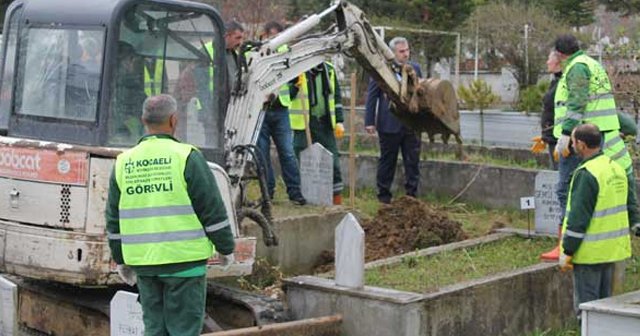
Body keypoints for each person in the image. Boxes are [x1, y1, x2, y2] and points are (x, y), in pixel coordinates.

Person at [106, 94, 235, 336]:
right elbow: (211, 209)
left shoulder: (124, 162)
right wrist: (226, 248)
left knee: (154, 329)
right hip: (185, 265)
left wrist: (120, 258)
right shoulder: (186, 157)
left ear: (144, 120)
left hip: (145, 265)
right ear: (174, 120)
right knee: (184, 330)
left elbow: (113, 220)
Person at [541, 34, 637, 261]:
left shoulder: (577, 68)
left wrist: (565, 136)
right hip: (596, 135)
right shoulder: (592, 64)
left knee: (567, 190)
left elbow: (576, 102)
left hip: (581, 139)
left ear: (560, 54)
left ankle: (565, 243)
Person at [559, 123, 640, 318]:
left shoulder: (587, 174)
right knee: (605, 312)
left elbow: (578, 219)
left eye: (573, 141)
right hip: (612, 250)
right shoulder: (616, 168)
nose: (571, 145)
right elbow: (631, 206)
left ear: (582, 145)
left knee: (588, 313)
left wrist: (568, 250)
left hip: (589, 253)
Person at [364, 36, 422, 204]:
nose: (405, 54)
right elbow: (372, 96)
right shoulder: (382, 70)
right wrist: (369, 121)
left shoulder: (415, 69)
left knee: (412, 161)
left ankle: (411, 196)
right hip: (389, 124)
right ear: (392, 53)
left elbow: (420, 94)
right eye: (401, 51)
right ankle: (384, 196)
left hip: (411, 125)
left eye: (407, 50)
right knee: (387, 161)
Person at [257, 21, 306, 205]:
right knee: (262, 155)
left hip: (280, 111)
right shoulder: (254, 53)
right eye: (272, 37)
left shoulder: (287, 52)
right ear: (264, 36)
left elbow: (296, 80)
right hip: (260, 112)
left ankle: (295, 193)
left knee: (287, 153)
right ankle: (267, 193)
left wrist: (288, 97)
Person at [290, 62, 345, 205]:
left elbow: (336, 97)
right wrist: (294, 85)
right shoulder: (299, 69)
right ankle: (302, 195)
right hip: (304, 123)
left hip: (325, 122)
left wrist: (339, 121)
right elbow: (288, 96)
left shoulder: (330, 70)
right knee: (301, 159)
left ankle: (336, 198)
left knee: (333, 162)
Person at [532, 50, 562, 170]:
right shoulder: (555, 81)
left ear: (558, 62)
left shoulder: (562, 83)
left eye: (549, 59)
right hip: (552, 137)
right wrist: (545, 136)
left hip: (559, 139)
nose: (547, 62)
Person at [224, 19, 245, 92]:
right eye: (237, 38)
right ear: (227, 36)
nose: (240, 42)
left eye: (241, 38)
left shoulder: (234, 54)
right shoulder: (206, 52)